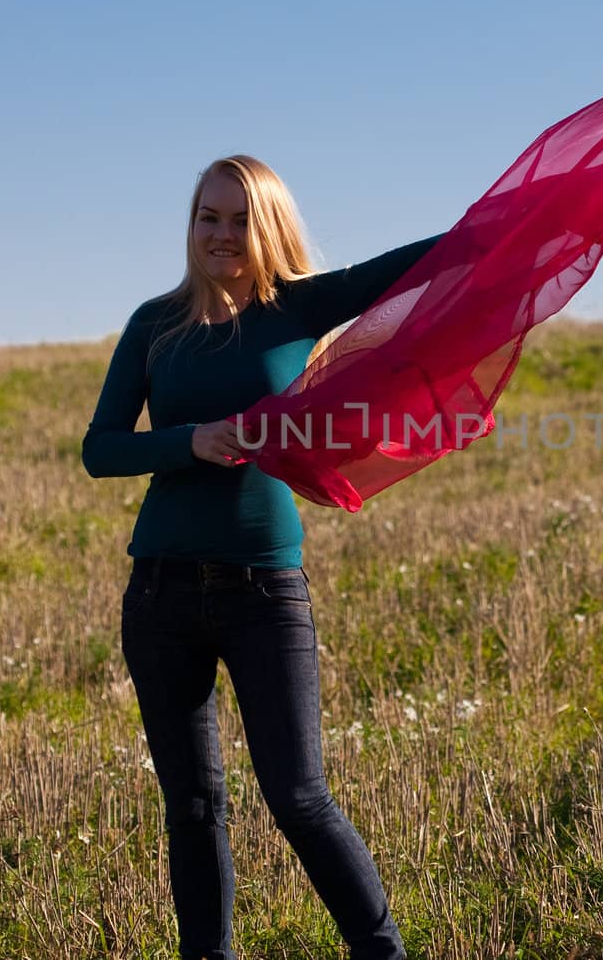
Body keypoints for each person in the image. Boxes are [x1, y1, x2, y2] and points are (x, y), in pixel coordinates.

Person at [81, 154, 442, 960]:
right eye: (208, 217)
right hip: (161, 595)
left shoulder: (298, 308)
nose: (221, 234)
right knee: (194, 805)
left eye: (240, 219)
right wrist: (189, 442)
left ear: (268, 225)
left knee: (299, 794)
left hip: (264, 592)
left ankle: (381, 952)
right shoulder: (154, 324)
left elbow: (421, 264)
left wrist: (543, 216)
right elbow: (99, 449)